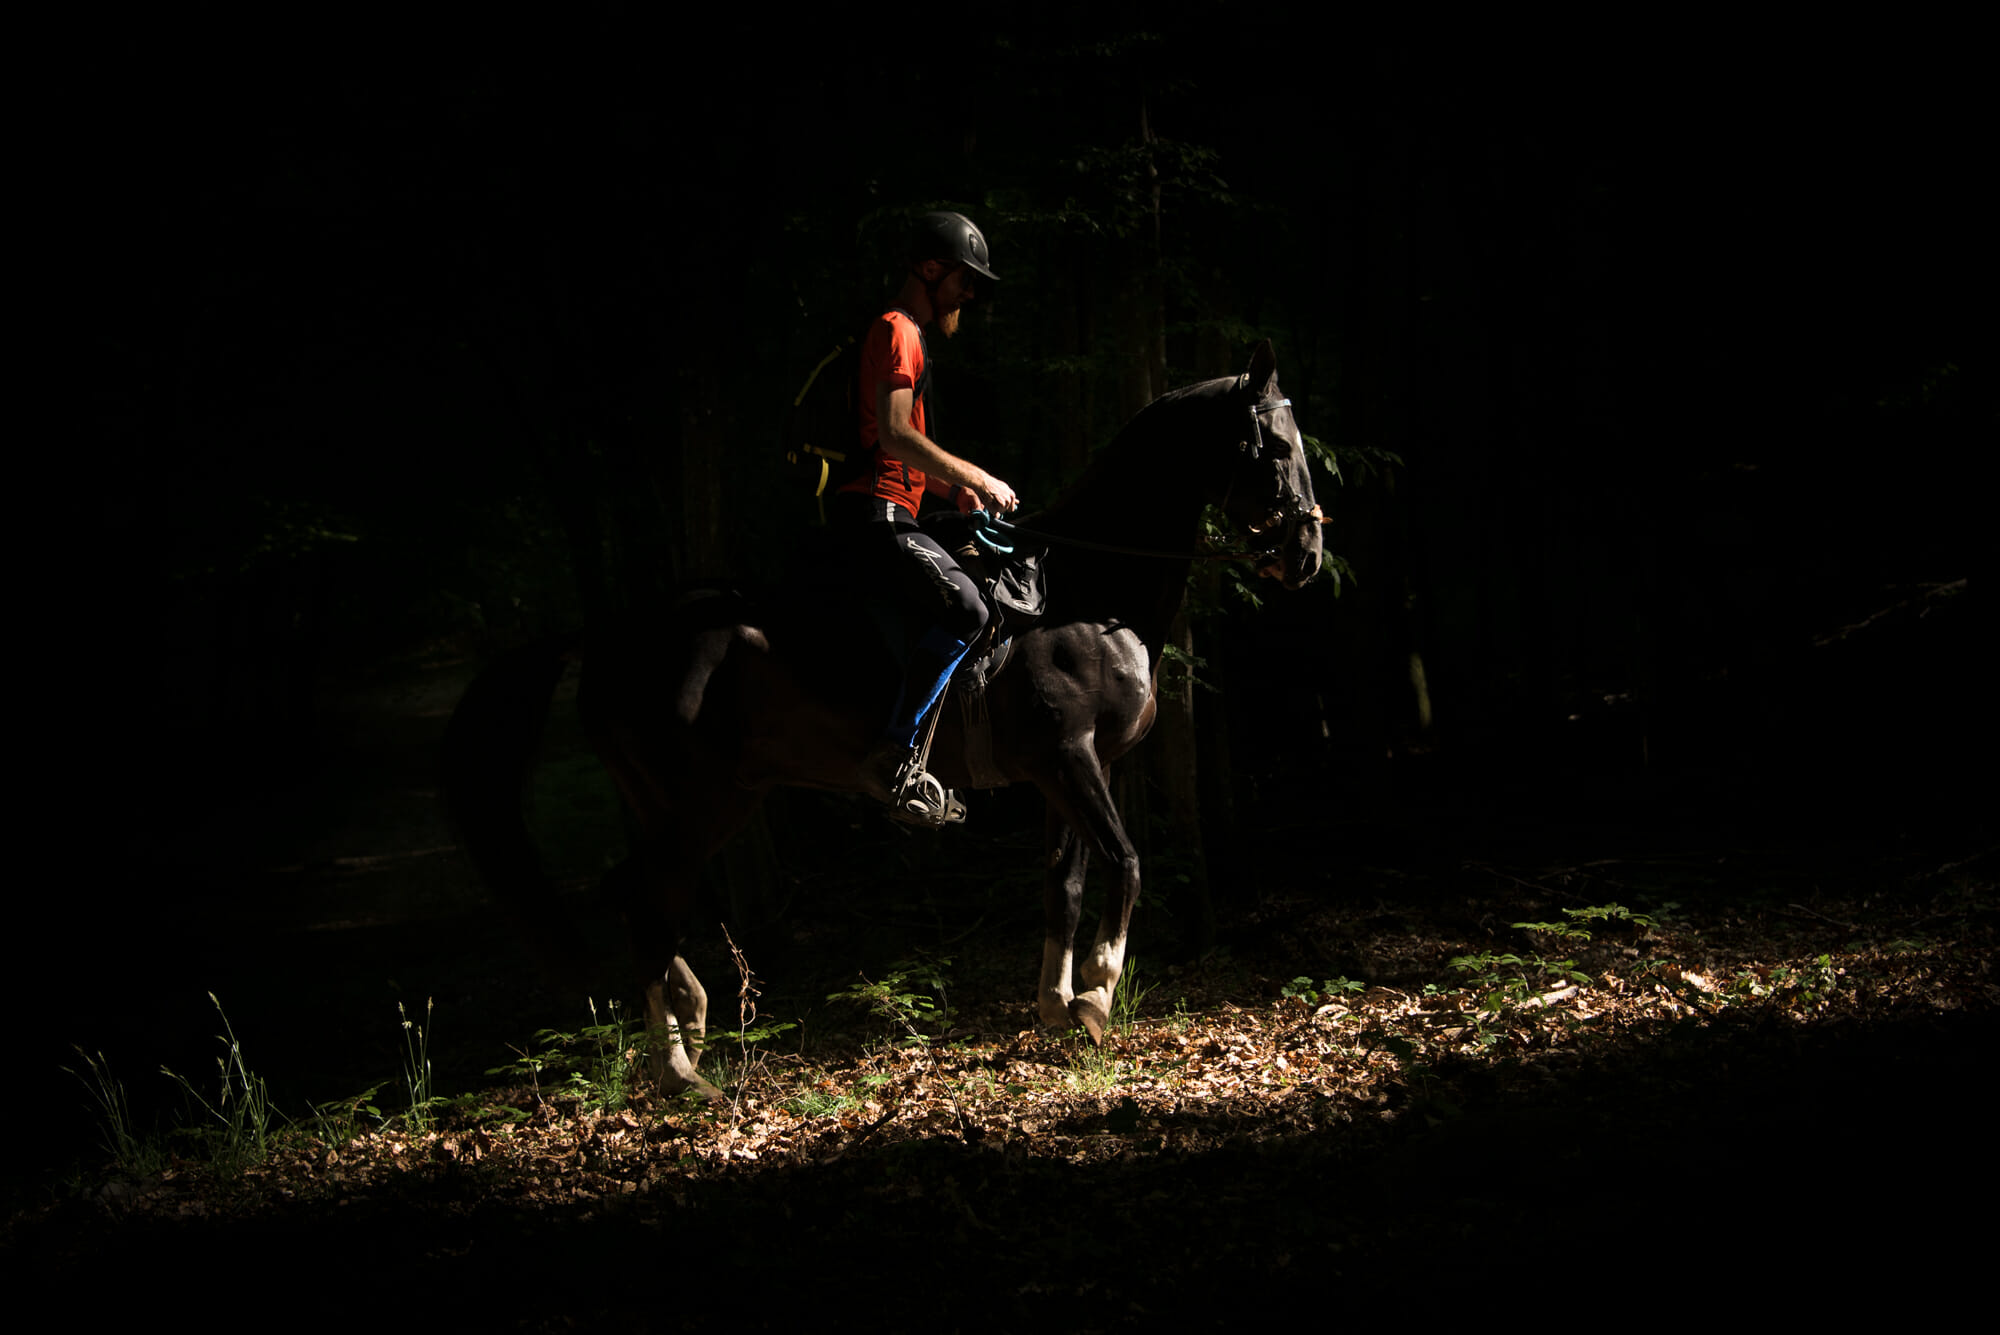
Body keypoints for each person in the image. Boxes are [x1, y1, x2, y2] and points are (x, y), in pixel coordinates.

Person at [832, 211, 1018, 823]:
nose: (969, 294)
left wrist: (950, 491)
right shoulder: (897, 329)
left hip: (901, 510)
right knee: (970, 609)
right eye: (965, 280)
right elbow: (890, 434)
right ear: (931, 269)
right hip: (879, 517)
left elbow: (903, 445)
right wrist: (977, 476)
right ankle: (894, 756)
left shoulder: (909, 332)